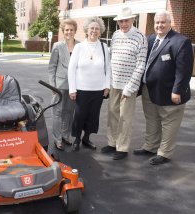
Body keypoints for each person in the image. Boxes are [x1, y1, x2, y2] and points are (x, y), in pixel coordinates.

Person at [133, 10, 193, 165]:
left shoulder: (180, 41)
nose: (159, 25)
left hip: (170, 92)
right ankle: (151, 146)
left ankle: (164, 153)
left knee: (169, 122)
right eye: (157, 22)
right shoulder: (151, 39)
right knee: (151, 119)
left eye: (163, 22)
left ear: (170, 23)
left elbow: (184, 70)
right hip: (149, 89)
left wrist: (177, 90)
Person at [101, 7, 147, 160]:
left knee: (125, 117)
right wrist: (109, 82)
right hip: (114, 83)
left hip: (129, 86)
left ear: (132, 20)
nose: (123, 23)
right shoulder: (115, 35)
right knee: (112, 114)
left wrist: (130, 87)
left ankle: (122, 147)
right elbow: (111, 58)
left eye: (126, 20)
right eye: (121, 21)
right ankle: (112, 142)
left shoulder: (140, 37)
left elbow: (141, 64)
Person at [68, 16, 111, 152]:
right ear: (87, 30)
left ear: (101, 31)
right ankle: (77, 139)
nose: (94, 31)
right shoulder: (79, 47)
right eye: (92, 28)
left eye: (97, 29)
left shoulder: (104, 47)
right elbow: (71, 68)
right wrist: (72, 89)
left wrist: (107, 86)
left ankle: (87, 138)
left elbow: (108, 68)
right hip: (82, 89)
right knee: (80, 115)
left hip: (98, 89)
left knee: (93, 116)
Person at [48, 19, 79, 151]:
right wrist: (52, 86)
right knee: (57, 113)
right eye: (66, 29)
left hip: (74, 87)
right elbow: (52, 67)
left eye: (71, 29)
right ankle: (57, 139)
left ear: (75, 31)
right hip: (59, 86)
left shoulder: (80, 46)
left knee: (69, 112)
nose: (69, 32)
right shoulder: (57, 46)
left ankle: (66, 136)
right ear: (63, 31)